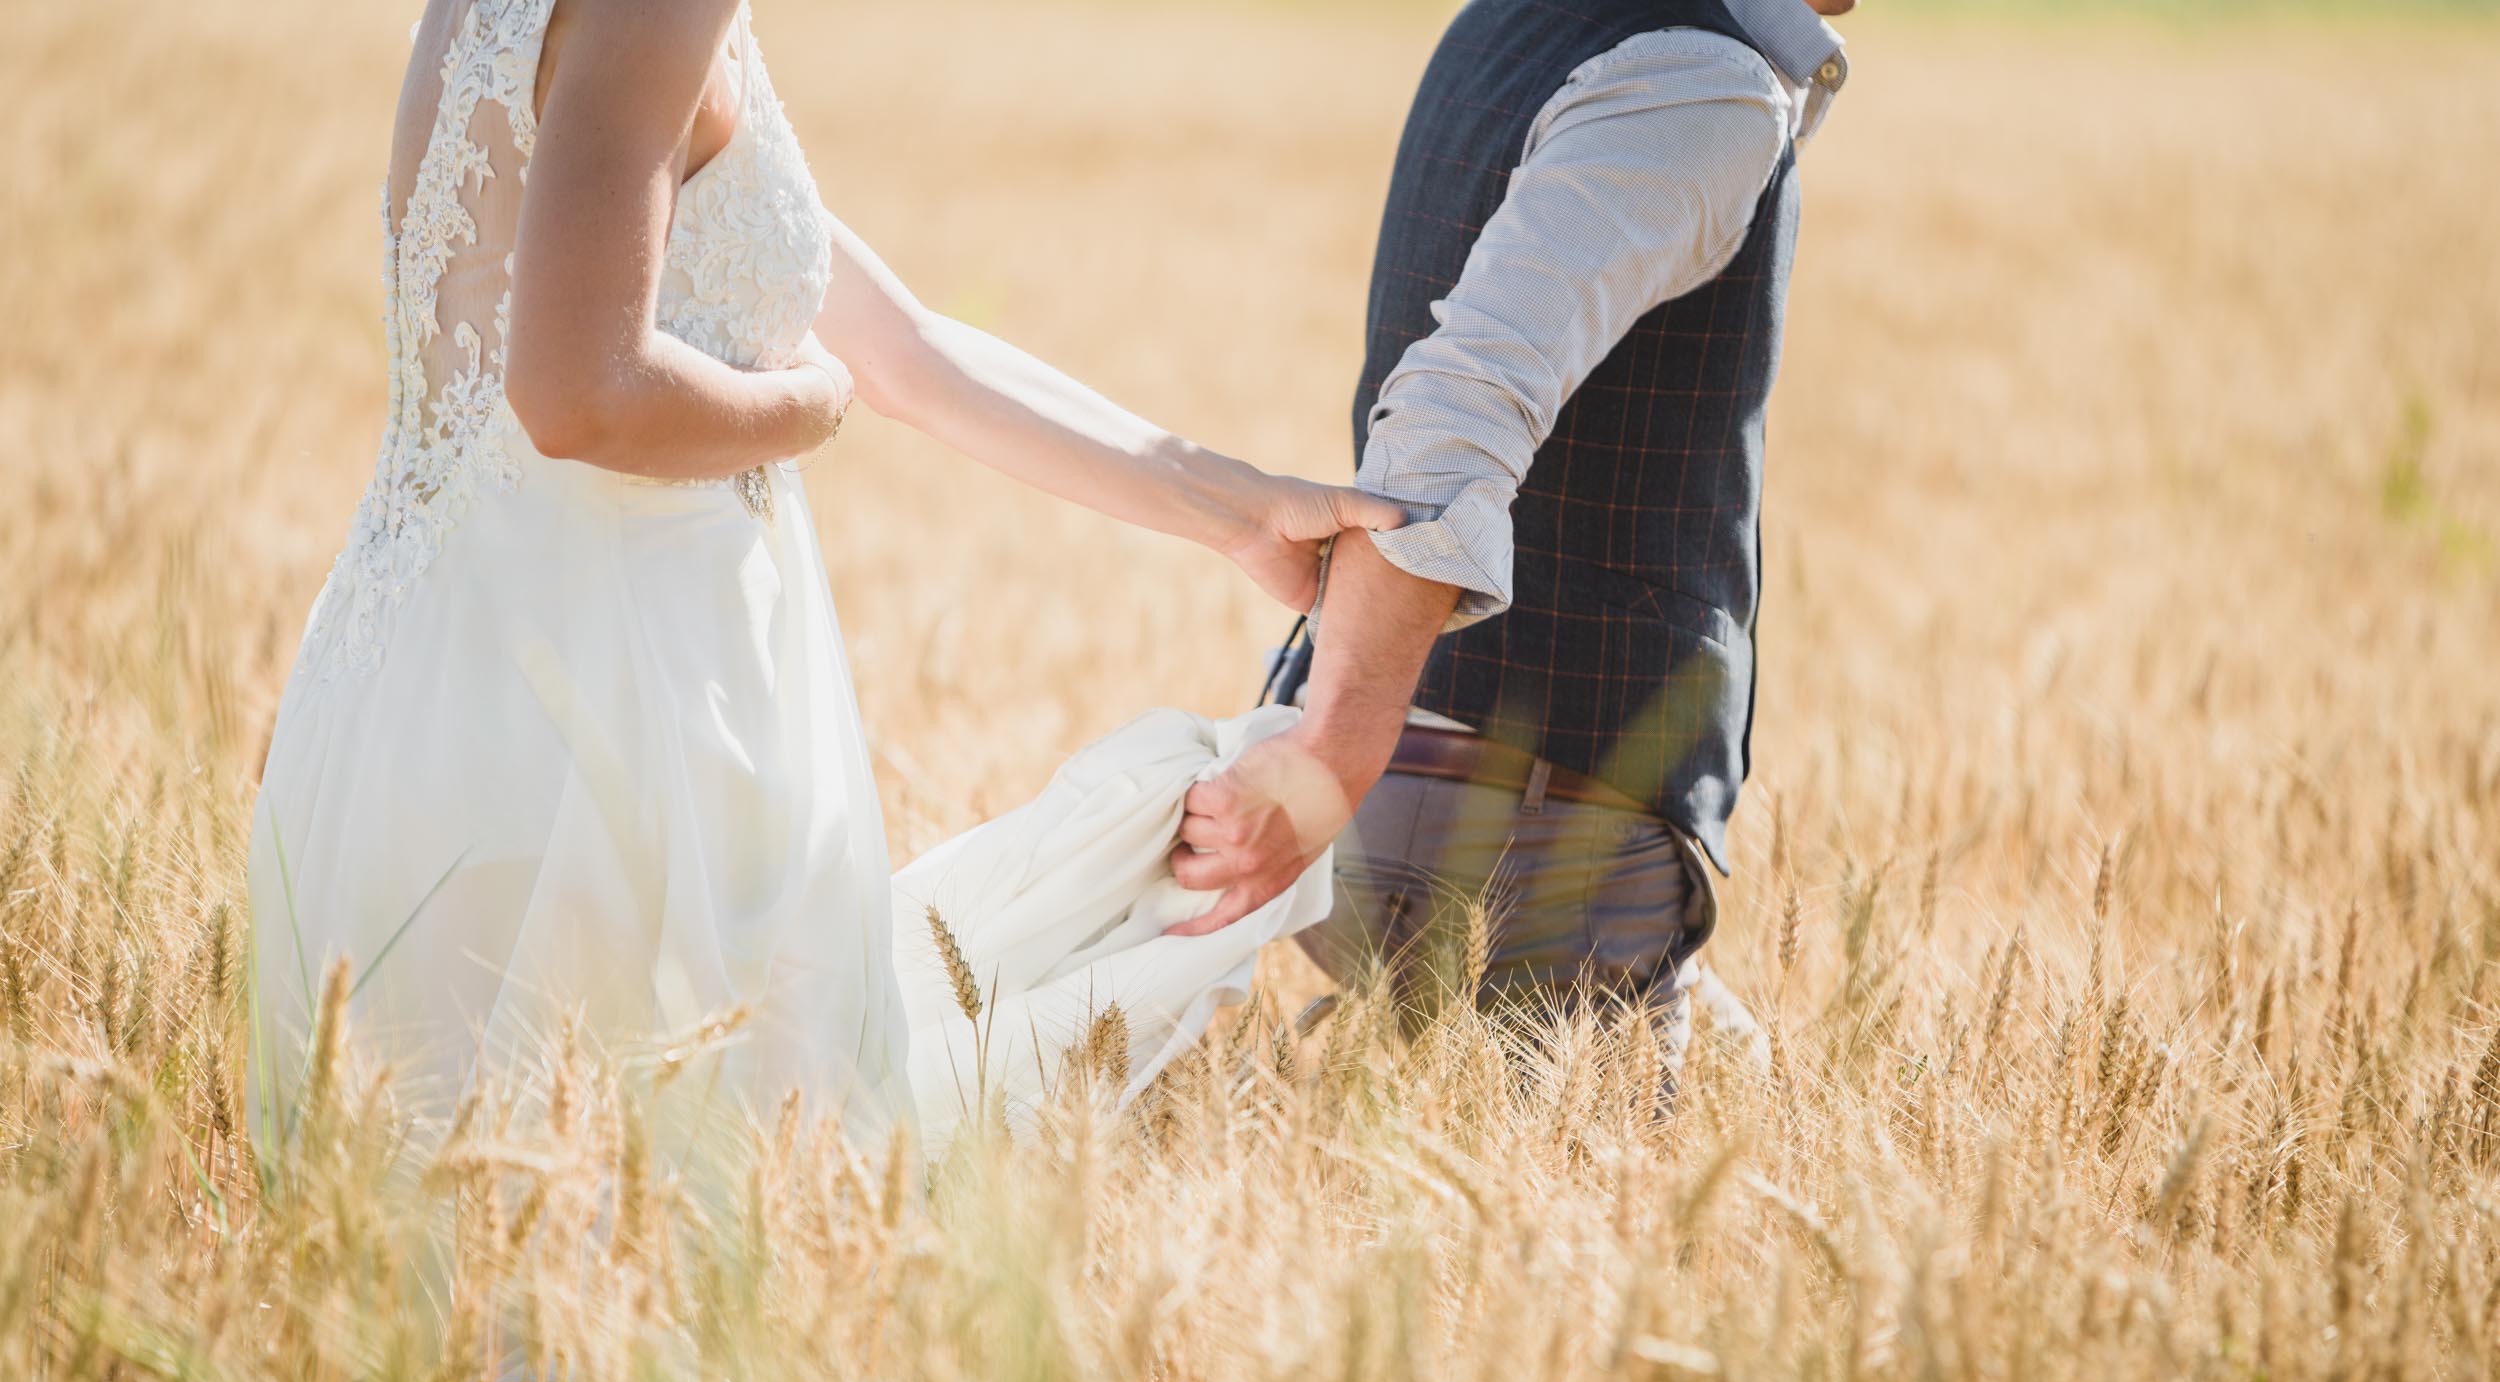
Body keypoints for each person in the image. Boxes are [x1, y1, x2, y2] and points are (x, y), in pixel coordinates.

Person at [247, 0, 1399, 1165]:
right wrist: (806, 407)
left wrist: (1240, 508)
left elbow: (901, 349)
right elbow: (580, 394)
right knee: (677, 1226)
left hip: (411, 686)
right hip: (616, 720)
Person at [1175, 0, 1855, 1085]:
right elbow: (1456, 407)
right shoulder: (1699, 79)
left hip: (1372, 827)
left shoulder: (1511, 20)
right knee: (1641, 1227)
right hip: (1531, 831)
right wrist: (1338, 740)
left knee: (1747, 1080)